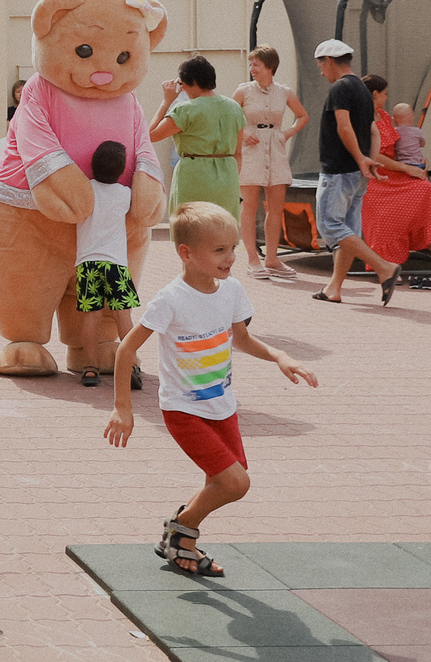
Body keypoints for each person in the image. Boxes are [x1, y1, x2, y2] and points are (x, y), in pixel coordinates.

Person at [104, 202, 318, 579]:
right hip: (183, 410)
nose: (230, 257)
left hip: (223, 406)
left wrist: (280, 355)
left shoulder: (231, 290)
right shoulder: (170, 299)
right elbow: (126, 348)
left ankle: (178, 534)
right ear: (186, 253)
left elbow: (243, 339)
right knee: (235, 483)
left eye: (233, 247)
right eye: (219, 250)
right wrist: (123, 407)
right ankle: (183, 536)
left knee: (222, 482)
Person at [307, 40, 402, 306]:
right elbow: (373, 130)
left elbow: (344, 127)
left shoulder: (340, 88)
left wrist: (361, 158)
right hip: (357, 173)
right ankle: (334, 288)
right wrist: (368, 162)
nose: (320, 72)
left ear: (328, 60)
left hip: (338, 170)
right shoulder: (362, 88)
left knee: (330, 226)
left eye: (320, 66)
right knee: (347, 231)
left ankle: (384, 268)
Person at [236, 47, 308, 278]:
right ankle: (252, 259)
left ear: (270, 66)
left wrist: (287, 133)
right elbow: (227, 115)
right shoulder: (243, 91)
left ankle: (272, 259)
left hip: (275, 149)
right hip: (251, 149)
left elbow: (303, 115)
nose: (252, 69)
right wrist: (242, 133)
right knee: (249, 205)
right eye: (251, 65)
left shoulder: (284, 92)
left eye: (256, 64)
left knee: (276, 207)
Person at [74, 140, 139, 384]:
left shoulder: (85, 190)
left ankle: (90, 368)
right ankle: (131, 366)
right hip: (116, 264)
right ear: (122, 170)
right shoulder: (125, 194)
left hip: (88, 263)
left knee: (91, 318)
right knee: (124, 317)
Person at [360, 91, 431, 266]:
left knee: (426, 189)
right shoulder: (362, 117)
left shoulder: (383, 115)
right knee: (385, 211)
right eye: (384, 94)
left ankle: (426, 242)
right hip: (377, 174)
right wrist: (407, 167)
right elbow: (375, 155)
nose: (387, 97)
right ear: (375, 94)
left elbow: (401, 148)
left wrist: (417, 162)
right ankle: (385, 260)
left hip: (395, 170)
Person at [150, 56, 241, 217]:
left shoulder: (185, 109)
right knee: (224, 229)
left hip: (194, 175)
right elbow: (239, 152)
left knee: (190, 228)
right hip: (228, 174)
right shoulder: (233, 107)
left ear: (187, 82)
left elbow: (151, 135)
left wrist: (166, 101)